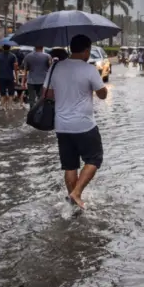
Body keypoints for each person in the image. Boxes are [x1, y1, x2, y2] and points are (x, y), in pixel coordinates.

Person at [44, 34, 108, 209]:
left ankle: (72, 204)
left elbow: (47, 94)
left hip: (62, 126)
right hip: (84, 125)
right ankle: (77, 193)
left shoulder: (55, 67)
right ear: (86, 50)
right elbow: (102, 95)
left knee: (70, 166)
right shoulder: (89, 69)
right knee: (94, 158)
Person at [0, 44, 19, 110]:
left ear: (2, 47)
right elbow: (15, 68)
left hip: (1, 77)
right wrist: (16, 78)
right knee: (11, 93)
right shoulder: (13, 56)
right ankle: (10, 106)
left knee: (2, 93)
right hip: (10, 77)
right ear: (10, 47)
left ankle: (3, 107)